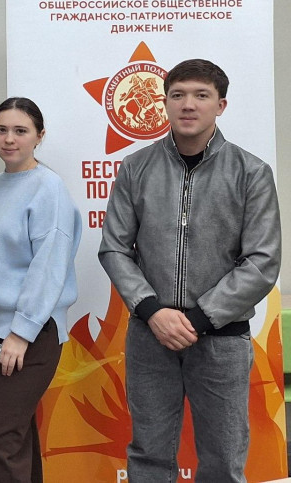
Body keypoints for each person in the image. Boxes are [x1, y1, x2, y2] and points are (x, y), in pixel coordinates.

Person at [99, 59, 280, 483]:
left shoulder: (251, 173)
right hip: (150, 336)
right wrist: (152, 311)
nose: (188, 104)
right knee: (148, 456)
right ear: (164, 102)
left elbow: (262, 261)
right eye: (178, 95)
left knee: (222, 460)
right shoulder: (136, 168)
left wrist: (198, 319)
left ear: (221, 105)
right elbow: (114, 248)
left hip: (222, 342)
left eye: (201, 95)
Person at [0, 97, 80, 483]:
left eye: (20, 131)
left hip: (28, 333)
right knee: (12, 437)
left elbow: (49, 267)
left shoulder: (49, 189)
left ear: (39, 136)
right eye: (1, 130)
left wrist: (21, 332)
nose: (9, 139)